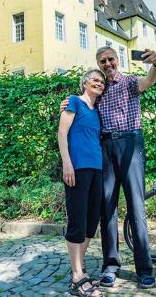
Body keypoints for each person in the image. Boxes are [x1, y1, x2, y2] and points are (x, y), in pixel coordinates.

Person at [61, 46, 156, 289]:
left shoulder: (129, 82)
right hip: (105, 146)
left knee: (136, 206)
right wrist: (67, 102)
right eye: (102, 61)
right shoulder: (98, 89)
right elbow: (80, 107)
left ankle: (144, 268)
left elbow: (149, 80)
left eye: (110, 59)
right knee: (107, 208)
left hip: (130, 143)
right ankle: (110, 266)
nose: (107, 64)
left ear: (117, 60)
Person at [58, 69, 106, 297]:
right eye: (95, 80)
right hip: (77, 169)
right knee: (77, 220)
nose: (99, 83)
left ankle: (79, 267)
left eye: (102, 82)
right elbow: (62, 133)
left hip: (97, 170)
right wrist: (67, 163)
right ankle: (77, 276)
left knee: (91, 221)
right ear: (85, 83)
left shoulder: (96, 111)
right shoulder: (74, 102)